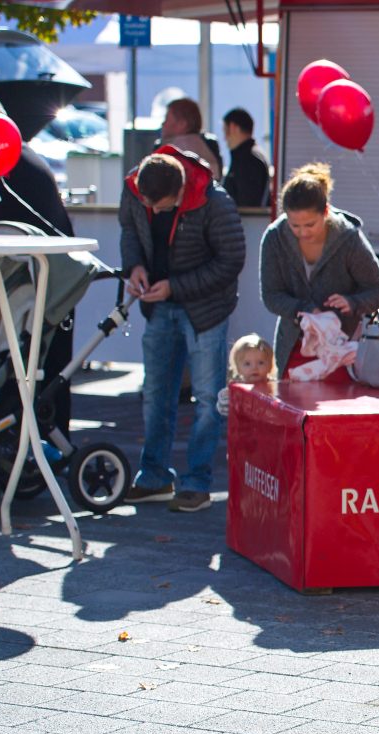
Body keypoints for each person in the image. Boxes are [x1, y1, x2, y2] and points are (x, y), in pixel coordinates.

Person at [119, 147, 247, 513]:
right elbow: (130, 230)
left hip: (205, 310)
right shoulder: (136, 188)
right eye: (147, 203)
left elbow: (231, 260)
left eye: (160, 206)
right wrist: (134, 266)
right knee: (156, 393)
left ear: (180, 190)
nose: (153, 210)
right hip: (158, 303)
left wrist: (175, 287)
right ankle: (154, 476)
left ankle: (197, 483)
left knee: (207, 398)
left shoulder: (215, 201)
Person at [0, 99, 75, 440]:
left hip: (39, 289)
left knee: (36, 375)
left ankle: (37, 446)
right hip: (54, 284)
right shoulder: (28, 159)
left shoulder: (6, 163)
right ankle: (50, 446)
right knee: (51, 377)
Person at [259, 163, 379, 379]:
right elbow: (271, 296)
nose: (303, 233)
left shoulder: (349, 238)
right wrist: (305, 310)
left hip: (344, 349)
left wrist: (352, 302)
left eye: (310, 225)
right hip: (294, 345)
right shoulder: (274, 237)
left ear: (326, 212)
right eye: (294, 225)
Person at [160, 97, 223, 180]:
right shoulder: (206, 148)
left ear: (182, 124)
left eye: (167, 118)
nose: (163, 123)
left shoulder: (176, 151)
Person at [221, 107, 271, 208]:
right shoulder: (252, 156)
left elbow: (247, 204)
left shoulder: (248, 160)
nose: (224, 138)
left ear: (233, 127)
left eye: (225, 131)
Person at [216, 334, 274, 418]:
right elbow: (222, 408)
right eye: (247, 364)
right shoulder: (235, 390)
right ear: (238, 368)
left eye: (261, 363)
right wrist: (229, 401)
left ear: (270, 365)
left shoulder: (274, 387)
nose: (254, 368)